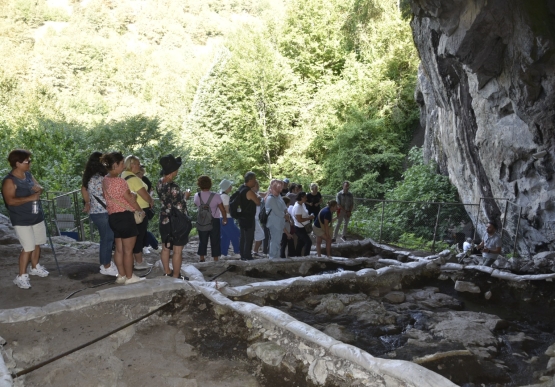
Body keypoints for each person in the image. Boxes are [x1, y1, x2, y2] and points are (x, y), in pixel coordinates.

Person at [2, 149, 49, 289]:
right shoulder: (9, 181)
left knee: (38, 243)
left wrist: (38, 189)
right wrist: (31, 197)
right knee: (28, 247)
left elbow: (39, 187)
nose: (30, 163)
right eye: (27, 161)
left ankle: (35, 267)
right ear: (17, 163)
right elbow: (10, 201)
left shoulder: (27, 175)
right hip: (21, 219)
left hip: (36, 215)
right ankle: (21, 276)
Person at [101, 152, 145, 285]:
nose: (123, 166)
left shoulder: (105, 180)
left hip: (113, 217)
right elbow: (130, 200)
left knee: (119, 249)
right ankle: (130, 277)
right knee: (128, 250)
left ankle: (121, 275)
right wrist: (140, 210)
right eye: (121, 164)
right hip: (125, 217)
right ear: (115, 165)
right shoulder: (120, 182)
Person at [81, 152, 117, 276]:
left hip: (95, 212)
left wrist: (87, 203)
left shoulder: (90, 177)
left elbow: (83, 189)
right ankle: (106, 265)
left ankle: (106, 264)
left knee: (105, 239)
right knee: (107, 239)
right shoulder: (102, 178)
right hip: (103, 212)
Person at [157, 154, 190, 279]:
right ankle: (176, 275)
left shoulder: (160, 183)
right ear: (173, 171)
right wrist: (185, 196)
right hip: (177, 221)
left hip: (164, 219)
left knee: (165, 248)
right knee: (177, 251)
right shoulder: (174, 187)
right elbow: (180, 206)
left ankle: (167, 271)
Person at [122, 155, 154, 270]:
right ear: (131, 164)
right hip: (139, 210)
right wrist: (151, 200)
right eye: (137, 163)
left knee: (133, 236)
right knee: (139, 236)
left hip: (128, 209)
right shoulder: (133, 178)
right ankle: (139, 262)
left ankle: (137, 260)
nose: (139, 166)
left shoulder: (123, 175)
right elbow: (145, 196)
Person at [194, 175, 227, 262]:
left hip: (202, 220)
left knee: (202, 239)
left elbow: (196, 204)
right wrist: (225, 219)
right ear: (210, 184)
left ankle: (202, 258)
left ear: (199, 184)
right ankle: (215, 259)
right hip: (214, 220)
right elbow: (222, 210)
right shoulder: (216, 196)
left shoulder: (197, 195)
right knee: (215, 239)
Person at [237, 171, 260, 260]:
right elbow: (257, 202)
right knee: (249, 237)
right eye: (254, 180)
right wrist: (257, 197)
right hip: (248, 218)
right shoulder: (249, 191)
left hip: (241, 216)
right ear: (250, 180)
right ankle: (247, 255)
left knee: (243, 237)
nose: (255, 182)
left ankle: (243, 254)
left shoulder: (241, 188)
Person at [265, 179, 289, 259]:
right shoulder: (270, 198)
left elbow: (284, 206)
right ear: (275, 187)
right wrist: (285, 215)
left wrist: (286, 212)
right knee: (274, 241)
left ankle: (277, 257)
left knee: (278, 241)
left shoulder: (278, 196)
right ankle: (272, 257)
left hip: (280, 222)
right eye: (280, 187)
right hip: (274, 223)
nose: (282, 188)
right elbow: (277, 211)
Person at [219, 179, 240, 258]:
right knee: (235, 235)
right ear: (227, 187)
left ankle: (223, 253)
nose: (231, 187)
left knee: (225, 236)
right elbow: (227, 210)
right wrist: (237, 211)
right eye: (230, 186)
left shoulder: (220, 195)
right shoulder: (226, 197)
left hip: (220, 218)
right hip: (227, 219)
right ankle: (237, 252)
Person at [293, 192, 314, 257]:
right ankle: (306, 256)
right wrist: (309, 218)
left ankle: (297, 255)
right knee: (308, 242)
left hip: (303, 227)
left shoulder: (302, 204)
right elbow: (299, 219)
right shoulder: (297, 207)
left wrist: (309, 216)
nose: (306, 199)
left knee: (301, 242)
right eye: (305, 197)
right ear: (301, 198)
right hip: (299, 228)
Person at [252, 180, 266, 258]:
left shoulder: (256, 194)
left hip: (256, 218)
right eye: (257, 185)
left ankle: (255, 251)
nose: (258, 187)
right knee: (261, 235)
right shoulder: (252, 194)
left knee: (258, 235)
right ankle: (255, 251)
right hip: (253, 218)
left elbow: (264, 194)